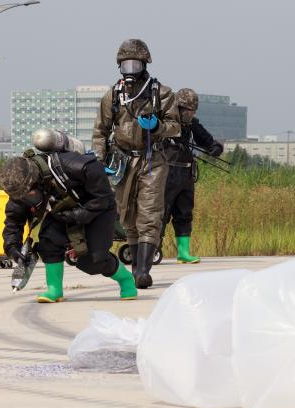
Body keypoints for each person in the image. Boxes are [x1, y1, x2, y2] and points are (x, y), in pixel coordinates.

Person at [0, 129, 137, 303]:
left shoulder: (76, 166)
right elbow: (13, 221)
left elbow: (103, 197)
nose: (25, 200)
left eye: (28, 194)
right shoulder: (20, 192)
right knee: (48, 242)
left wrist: (80, 214)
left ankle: (126, 280)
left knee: (93, 261)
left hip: (97, 209)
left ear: (36, 180)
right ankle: (54, 290)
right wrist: (13, 247)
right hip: (62, 212)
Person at [92, 38, 180, 288]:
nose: (130, 70)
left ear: (144, 64)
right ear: (119, 67)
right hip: (121, 162)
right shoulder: (113, 96)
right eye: (125, 65)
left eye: (135, 64)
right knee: (127, 216)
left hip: (153, 160)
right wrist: (99, 161)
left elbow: (176, 128)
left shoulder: (161, 93)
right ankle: (135, 269)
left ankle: (143, 271)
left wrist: (158, 127)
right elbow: (100, 131)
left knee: (150, 214)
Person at [162, 88, 223, 263]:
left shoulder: (193, 125)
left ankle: (183, 252)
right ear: (178, 108)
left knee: (184, 213)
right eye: (187, 110)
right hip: (166, 175)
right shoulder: (164, 122)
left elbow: (210, 142)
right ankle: (152, 249)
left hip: (187, 175)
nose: (190, 114)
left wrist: (215, 149)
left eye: (193, 111)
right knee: (161, 213)